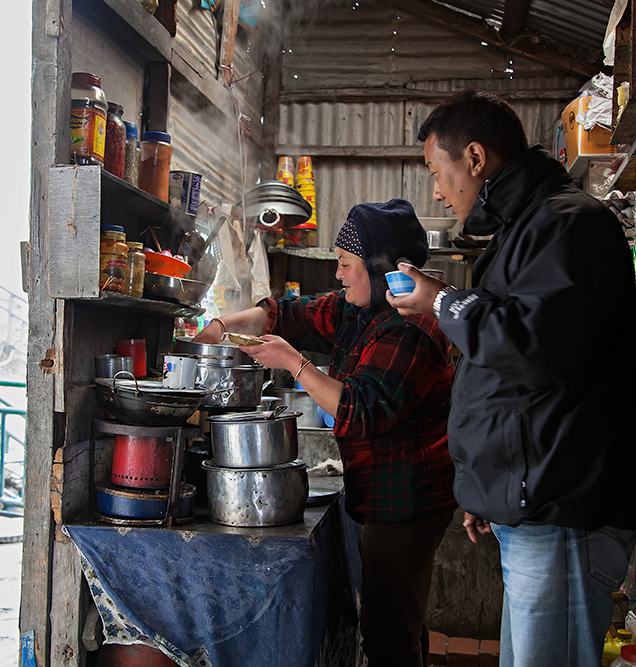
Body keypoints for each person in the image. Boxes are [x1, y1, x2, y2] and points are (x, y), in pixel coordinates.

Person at [386, 90, 636, 666]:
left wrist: (443, 303)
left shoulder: (569, 225)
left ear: (475, 159)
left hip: (563, 509)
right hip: (537, 503)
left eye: (438, 170)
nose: (436, 189)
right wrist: (491, 488)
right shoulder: (527, 229)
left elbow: (531, 349)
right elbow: (512, 383)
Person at [194, 199, 455, 667]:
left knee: (390, 633)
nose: (338, 275)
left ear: (381, 270)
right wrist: (220, 328)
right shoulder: (360, 308)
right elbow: (285, 315)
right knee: (398, 621)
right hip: (379, 493)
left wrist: (294, 362)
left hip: (407, 501)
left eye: (346, 265)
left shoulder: (412, 327)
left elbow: (362, 410)